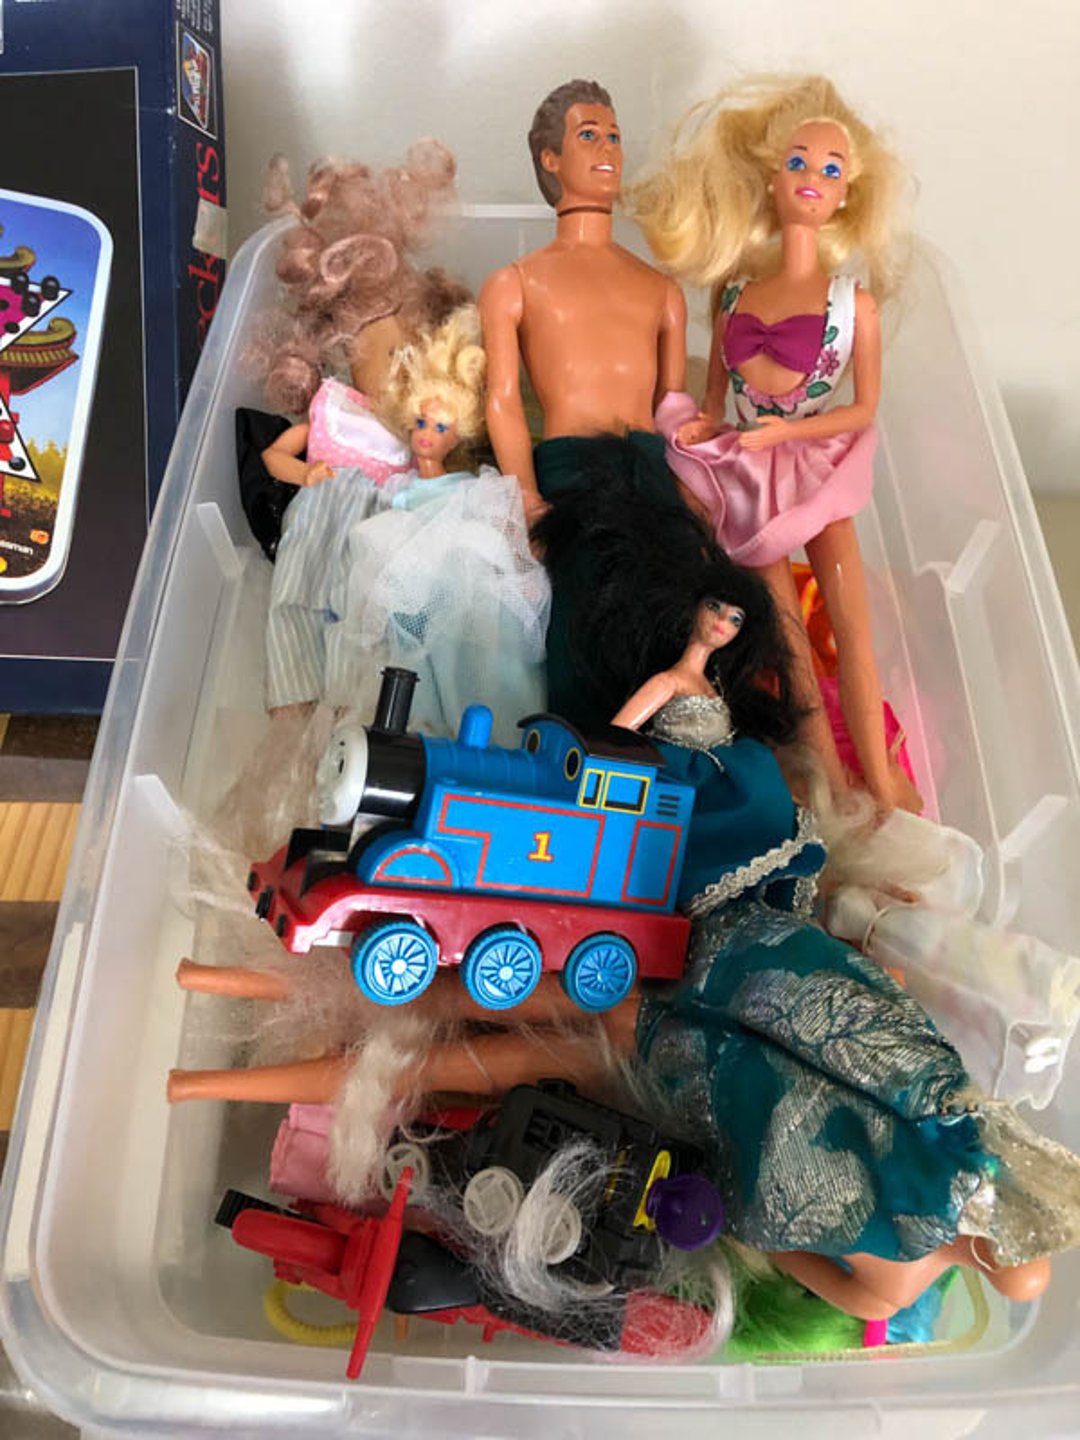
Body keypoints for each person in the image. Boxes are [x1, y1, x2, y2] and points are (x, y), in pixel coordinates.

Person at [628, 76, 916, 811]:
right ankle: (830, 791)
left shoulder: (853, 304)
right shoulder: (733, 296)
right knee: (787, 645)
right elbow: (717, 401)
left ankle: (881, 785)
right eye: (798, 162)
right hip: (752, 476)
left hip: (814, 467)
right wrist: (706, 425)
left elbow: (863, 409)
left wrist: (791, 430)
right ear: (770, 177)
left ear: (847, 193)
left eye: (830, 169)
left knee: (853, 630)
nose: (812, 178)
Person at [478, 79, 701, 731]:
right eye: (588, 135)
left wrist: (694, 495)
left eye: (614, 136)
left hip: (650, 470)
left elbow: (673, 410)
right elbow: (502, 401)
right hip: (571, 473)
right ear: (551, 158)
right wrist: (525, 496)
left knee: (668, 628)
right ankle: (581, 759)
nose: (608, 148)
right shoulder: (514, 283)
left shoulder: (661, 290)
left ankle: (669, 762)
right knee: (579, 630)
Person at [252, 143, 468, 712]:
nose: (403, 371)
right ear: (346, 350)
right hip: (321, 517)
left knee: (368, 616)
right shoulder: (331, 404)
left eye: (414, 356)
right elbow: (274, 455)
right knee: (294, 600)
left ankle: (354, 707)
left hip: (382, 531)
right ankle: (293, 704)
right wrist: (305, 473)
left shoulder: (416, 423)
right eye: (389, 355)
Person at [337, 304, 549, 742]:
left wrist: (520, 566)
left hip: (465, 584)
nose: (425, 433)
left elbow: (498, 530)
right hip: (420, 588)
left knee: (479, 650)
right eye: (421, 422)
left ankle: (497, 729)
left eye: (439, 427)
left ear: (458, 437)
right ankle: (428, 730)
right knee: (416, 658)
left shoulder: (473, 487)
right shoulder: (400, 490)